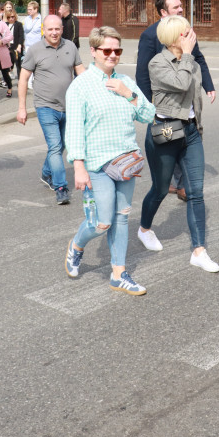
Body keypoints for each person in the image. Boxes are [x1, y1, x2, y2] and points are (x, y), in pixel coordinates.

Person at [64, 26, 156, 294]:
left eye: (117, 50)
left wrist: (128, 93)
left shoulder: (125, 81)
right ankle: (77, 245)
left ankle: (118, 273)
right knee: (101, 222)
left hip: (125, 162)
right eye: (107, 50)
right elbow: (74, 130)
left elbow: (149, 116)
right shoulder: (80, 86)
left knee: (121, 217)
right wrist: (78, 167)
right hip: (96, 166)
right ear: (93, 52)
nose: (113, 55)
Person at [137, 15, 219, 273]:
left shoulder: (190, 59)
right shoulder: (157, 63)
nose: (192, 36)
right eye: (187, 33)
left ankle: (199, 251)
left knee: (196, 192)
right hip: (168, 129)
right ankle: (144, 228)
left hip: (191, 131)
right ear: (174, 38)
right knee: (161, 189)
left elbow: (195, 96)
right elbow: (182, 84)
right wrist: (186, 55)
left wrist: (198, 125)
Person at [135, 0, 216, 202]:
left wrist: (208, 85)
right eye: (176, 7)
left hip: (186, 99)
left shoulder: (187, 32)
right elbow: (143, 72)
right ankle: (171, 183)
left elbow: (198, 58)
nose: (181, 9)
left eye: (181, 6)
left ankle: (179, 184)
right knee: (170, 139)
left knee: (183, 140)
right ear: (163, 12)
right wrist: (146, 103)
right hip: (164, 103)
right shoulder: (150, 35)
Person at [17, 14, 85, 205]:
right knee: (55, 146)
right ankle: (61, 187)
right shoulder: (35, 50)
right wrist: (21, 108)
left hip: (69, 106)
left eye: (57, 29)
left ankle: (47, 173)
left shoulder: (70, 47)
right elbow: (23, 79)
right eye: (50, 29)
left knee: (62, 145)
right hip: (45, 106)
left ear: (62, 29)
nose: (54, 32)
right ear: (43, 30)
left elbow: (81, 73)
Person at [3, 4, 25, 87]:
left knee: (18, 65)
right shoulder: (5, 24)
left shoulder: (18, 24)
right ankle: (7, 81)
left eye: (12, 17)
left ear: (15, 16)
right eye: (9, 17)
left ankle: (20, 81)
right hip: (8, 47)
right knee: (8, 65)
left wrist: (20, 45)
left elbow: (21, 36)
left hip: (16, 47)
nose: (11, 19)